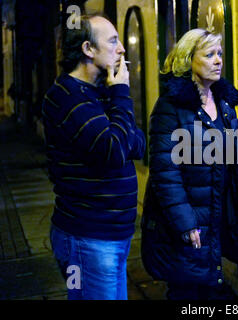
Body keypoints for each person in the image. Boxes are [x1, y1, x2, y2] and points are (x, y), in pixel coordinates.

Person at [41, 14, 146, 300]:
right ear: (88, 49)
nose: (122, 48)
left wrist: (116, 102)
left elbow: (137, 144)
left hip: (111, 236)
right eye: (113, 41)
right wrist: (121, 92)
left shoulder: (101, 93)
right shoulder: (66, 96)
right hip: (87, 238)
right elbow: (114, 151)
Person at [141, 28, 238, 300]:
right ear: (189, 59)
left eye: (220, 54)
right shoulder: (170, 107)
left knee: (213, 287)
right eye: (209, 54)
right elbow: (165, 173)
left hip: (218, 216)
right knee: (187, 290)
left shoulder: (225, 103)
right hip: (191, 222)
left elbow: (233, 165)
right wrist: (186, 224)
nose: (218, 60)